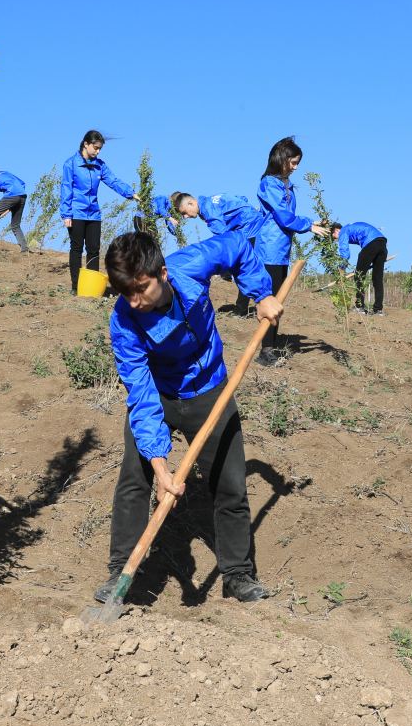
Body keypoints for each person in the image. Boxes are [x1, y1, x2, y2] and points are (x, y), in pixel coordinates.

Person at [99, 230, 281, 604]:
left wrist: (261, 294)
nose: (134, 301)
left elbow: (236, 246)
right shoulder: (124, 321)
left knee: (230, 483)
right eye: (125, 292)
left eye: (141, 289)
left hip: (211, 389)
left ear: (163, 274)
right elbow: (141, 394)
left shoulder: (192, 265)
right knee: (135, 478)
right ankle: (122, 574)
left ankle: (237, 575)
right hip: (159, 394)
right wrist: (161, 467)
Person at [255, 137, 329, 362]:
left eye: (298, 163)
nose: (296, 167)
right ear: (281, 159)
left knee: (278, 301)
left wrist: (311, 222)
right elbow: (284, 216)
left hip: (281, 251)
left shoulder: (284, 184)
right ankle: (265, 351)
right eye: (293, 162)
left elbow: (288, 216)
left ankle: (270, 347)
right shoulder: (269, 184)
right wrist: (308, 225)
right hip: (269, 249)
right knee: (270, 301)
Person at [60, 130, 137, 293]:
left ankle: (91, 287)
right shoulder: (70, 164)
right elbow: (66, 188)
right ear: (86, 144)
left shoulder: (100, 165)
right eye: (96, 148)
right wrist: (66, 214)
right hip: (76, 212)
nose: (98, 151)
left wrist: (130, 193)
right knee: (76, 248)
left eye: (100, 148)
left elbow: (113, 181)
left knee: (94, 249)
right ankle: (76, 286)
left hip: (94, 214)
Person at [333, 221, 389, 315]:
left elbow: (345, 254)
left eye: (333, 237)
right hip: (382, 244)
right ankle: (378, 309)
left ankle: (360, 307)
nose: (335, 239)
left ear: (336, 230)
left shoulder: (343, 231)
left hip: (371, 244)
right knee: (377, 279)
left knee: (359, 275)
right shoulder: (353, 227)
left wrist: (342, 267)